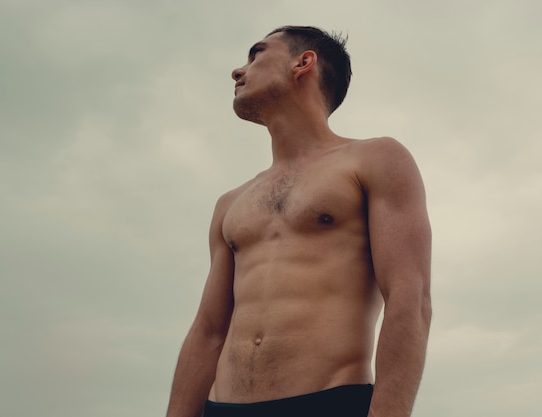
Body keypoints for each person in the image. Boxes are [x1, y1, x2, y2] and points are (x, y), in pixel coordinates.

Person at [166, 26, 432, 417]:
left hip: (328, 402)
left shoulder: (375, 160)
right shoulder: (231, 203)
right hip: (222, 408)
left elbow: (410, 299)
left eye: (256, 54)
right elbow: (207, 332)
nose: (238, 71)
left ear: (303, 62)